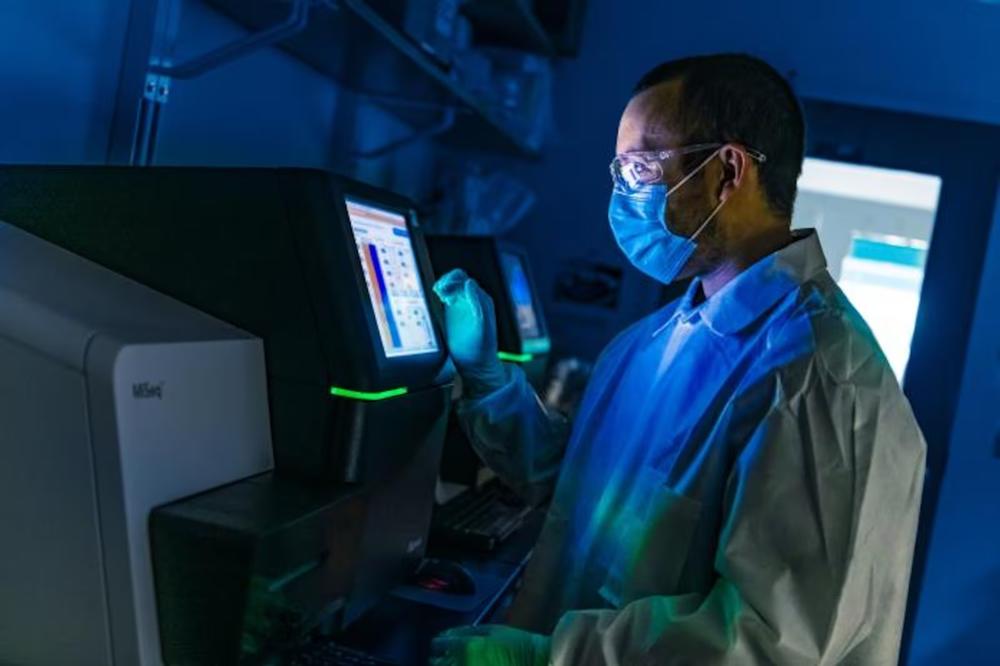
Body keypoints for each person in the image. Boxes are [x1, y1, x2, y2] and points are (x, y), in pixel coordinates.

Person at [430, 54, 926, 665]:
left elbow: (772, 646)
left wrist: (545, 658)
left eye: (641, 166)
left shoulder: (822, 378)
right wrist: (488, 382)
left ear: (728, 170)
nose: (622, 194)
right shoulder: (653, 339)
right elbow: (578, 487)